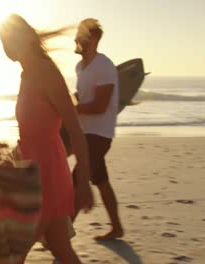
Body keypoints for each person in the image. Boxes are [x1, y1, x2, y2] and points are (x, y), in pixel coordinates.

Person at [0, 14, 94, 264]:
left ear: (26, 38)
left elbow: (75, 129)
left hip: (46, 176)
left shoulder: (45, 72)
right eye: (3, 41)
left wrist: (83, 181)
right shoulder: (27, 73)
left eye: (10, 38)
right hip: (30, 172)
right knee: (61, 249)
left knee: (14, 252)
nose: (7, 46)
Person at [72, 18, 124, 240]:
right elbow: (82, 99)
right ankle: (117, 227)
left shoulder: (104, 65)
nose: (75, 38)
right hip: (86, 132)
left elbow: (100, 105)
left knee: (76, 178)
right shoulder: (80, 67)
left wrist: (73, 109)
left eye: (80, 34)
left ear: (92, 39)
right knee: (101, 180)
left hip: (100, 134)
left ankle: (61, 232)